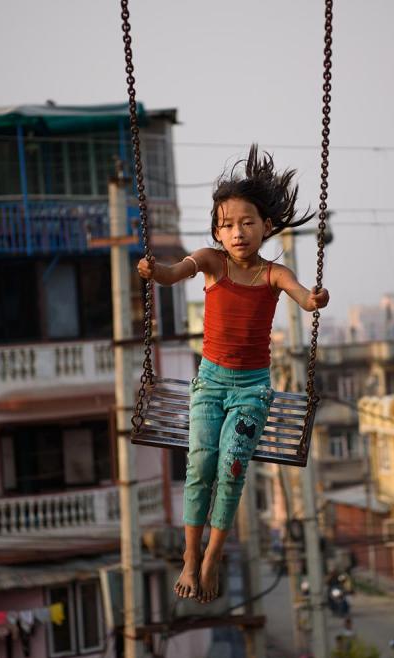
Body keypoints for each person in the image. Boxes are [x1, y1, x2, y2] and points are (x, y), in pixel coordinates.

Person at [138, 145, 330, 603]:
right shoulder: (211, 262)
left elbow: (303, 297)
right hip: (210, 383)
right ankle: (189, 556)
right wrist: (154, 270)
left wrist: (315, 299)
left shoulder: (272, 273)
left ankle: (213, 556)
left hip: (251, 389)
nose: (237, 232)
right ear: (216, 232)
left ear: (266, 226)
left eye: (247, 222)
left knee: (232, 466)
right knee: (200, 463)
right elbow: (172, 273)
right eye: (226, 224)